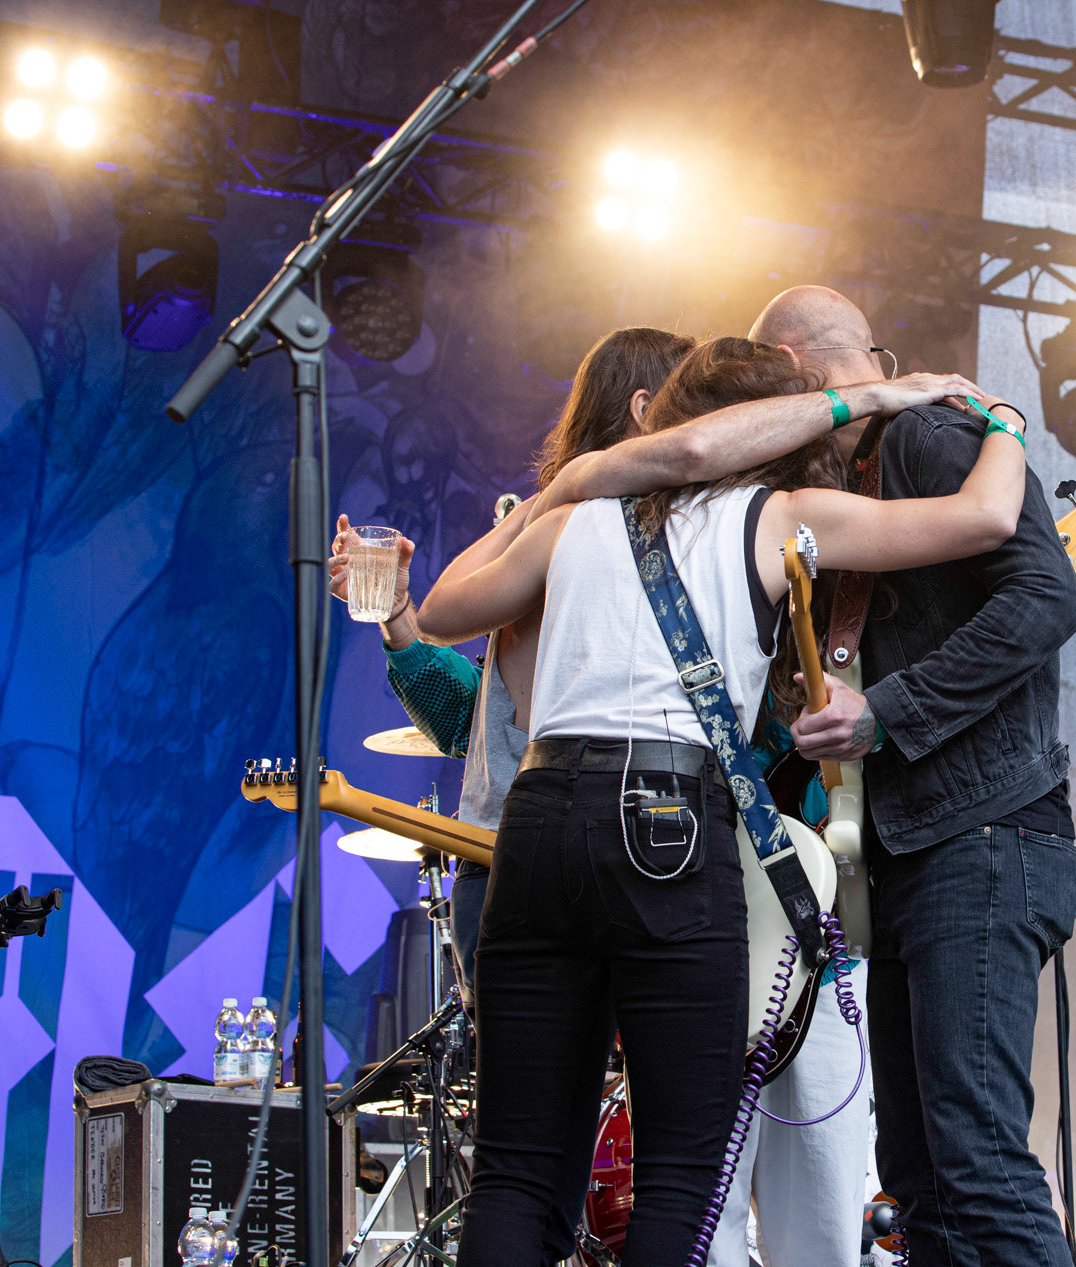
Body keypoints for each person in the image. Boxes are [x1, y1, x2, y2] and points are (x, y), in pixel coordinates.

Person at [419, 336, 1028, 1267]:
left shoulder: (572, 521)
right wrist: (1005, 419)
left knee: (514, 1174)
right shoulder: (783, 516)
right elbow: (987, 518)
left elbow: (438, 610)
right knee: (678, 1175)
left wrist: (556, 493)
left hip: (539, 818)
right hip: (665, 818)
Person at [771, 288, 1076, 1267]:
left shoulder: (929, 439)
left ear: (797, 371)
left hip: (985, 842)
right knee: (917, 1183)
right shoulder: (861, 478)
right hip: (912, 855)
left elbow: (1046, 598)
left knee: (977, 1168)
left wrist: (886, 713)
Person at [326, 327, 696, 1007]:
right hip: (511, 855)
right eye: (693, 398)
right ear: (645, 409)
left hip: (650, 851)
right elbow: (473, 723)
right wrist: (398, 613)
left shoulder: (694, 537)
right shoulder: (550, 524)